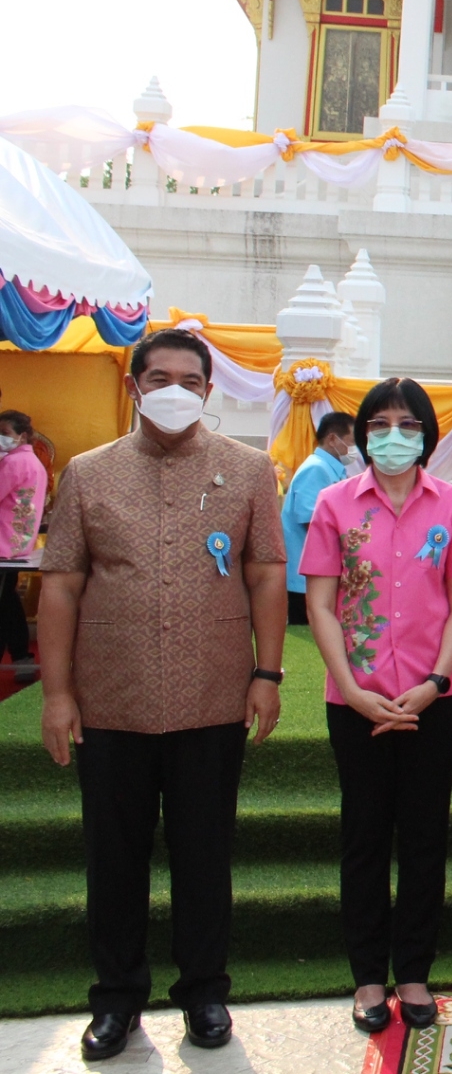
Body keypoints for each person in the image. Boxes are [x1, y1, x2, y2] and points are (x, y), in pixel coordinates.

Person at [35, 329, 287, 1061]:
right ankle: (117, 1000)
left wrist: (267, 674)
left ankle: (205, 993)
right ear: (134, 387)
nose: (175, 391)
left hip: (212, 696)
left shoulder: (248, 470)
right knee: (113, 861)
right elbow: (62, 586)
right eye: (159, 378)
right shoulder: (88, 473)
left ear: (208, 390)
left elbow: (266, 574)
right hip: (112, 700)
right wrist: (57, 694)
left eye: (190, 380)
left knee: (204, 856)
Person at [300, 379, 452, 1033]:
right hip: (357, 699)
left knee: (424, 835)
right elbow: (320, 603)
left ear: (427, 434)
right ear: (361, 433)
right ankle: (367, 976)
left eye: (407, 424)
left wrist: (435, 681)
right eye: (379, 423)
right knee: (365, 835)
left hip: (435, 698)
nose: (393, 436)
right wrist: (353, 688)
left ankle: (413, 971)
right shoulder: (335, 503)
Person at [282, 411, 357, 626]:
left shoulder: (332, 469)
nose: (355, 449)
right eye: (351, 441)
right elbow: (312, 522)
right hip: (305, 574)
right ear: (332, 439)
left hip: (318, 571)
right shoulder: (316, 469)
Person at [0, 409, 46, 669]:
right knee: (7, 598)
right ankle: (20, 655)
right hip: (19, 541)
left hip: (3, 540)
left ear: (23, 436)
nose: (1, 438)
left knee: (4, 600)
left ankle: (19, 655)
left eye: (4, 433)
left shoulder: (13, 463)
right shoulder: (32, 461)